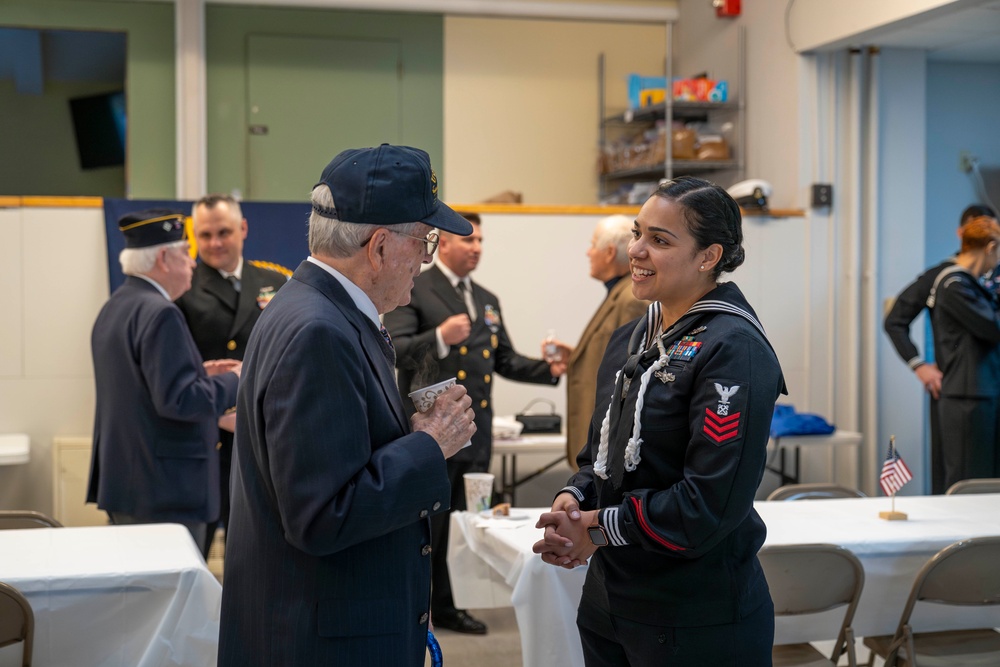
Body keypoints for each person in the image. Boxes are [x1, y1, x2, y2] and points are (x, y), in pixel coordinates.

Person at [218, 144, 477, 666]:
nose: (425, 262)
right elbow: (322, 515)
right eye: (425, 242)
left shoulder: (317, 309)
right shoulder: (319, 330)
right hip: (324, 639)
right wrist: (430, 445)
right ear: (379, 246)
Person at [533, 177, 786, 666]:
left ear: (708, 257)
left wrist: (598, 528)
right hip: (610, 600)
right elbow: (599, 460)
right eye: (637, 233)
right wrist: (575, 498)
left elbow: (708, 505)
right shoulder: (633, 337)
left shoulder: (734, 348)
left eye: (660, 240)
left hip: (693, 615)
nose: (637, 251)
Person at [383, 212, 564, 635]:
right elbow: (397, 351)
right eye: (469, 240)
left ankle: (455, 600)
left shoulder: (485, 298)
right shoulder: (416, 286)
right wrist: (442, 336)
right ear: (441, 243)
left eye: (481, 240)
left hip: (475, 429)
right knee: (436, 523)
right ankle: (434, 606)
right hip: (435, 431)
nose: (477, 247)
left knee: (467, 521)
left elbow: (503, 359)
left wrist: (551, 370)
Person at [87, 209, 241, 550]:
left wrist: (201, 373)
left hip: (131, 482)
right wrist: (235, 378)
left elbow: (142, 389)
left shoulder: (118, 306)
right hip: (165, 489)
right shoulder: (160, 312)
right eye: (185, 253)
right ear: (163, 258)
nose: (192, 263)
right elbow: (181, 401)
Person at [175, 194, 286, 556]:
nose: (215, 243)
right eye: (204, 235)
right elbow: (176, 368)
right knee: (195, 547)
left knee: (258, 546)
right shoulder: (183, 287)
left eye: (223, 232)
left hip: (261, 433)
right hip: (207, 435)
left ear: (243, 229)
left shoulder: (274, 279)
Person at [884, 203, 997, 493]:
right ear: (963, 234)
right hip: (964, 391)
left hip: (990, 388)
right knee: (961, 479)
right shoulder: (947, 279)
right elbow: (894, 319)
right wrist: (918, 364)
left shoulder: (988, 273)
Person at [545, 214, 649, 470]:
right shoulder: (619, 292)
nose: (588, 253)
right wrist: (579, 355)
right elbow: (612, 353)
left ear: (610, 252)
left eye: (593, 245)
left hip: (605, 440)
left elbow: (630, 375)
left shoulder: (631, 300)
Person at [930, 216, 1000, 491]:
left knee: (986, 481)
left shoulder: (972, 284)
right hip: (966, 398)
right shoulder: (953, 284)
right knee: (967, 482)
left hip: (983, 393)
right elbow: (992, 327)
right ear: (991, 246)